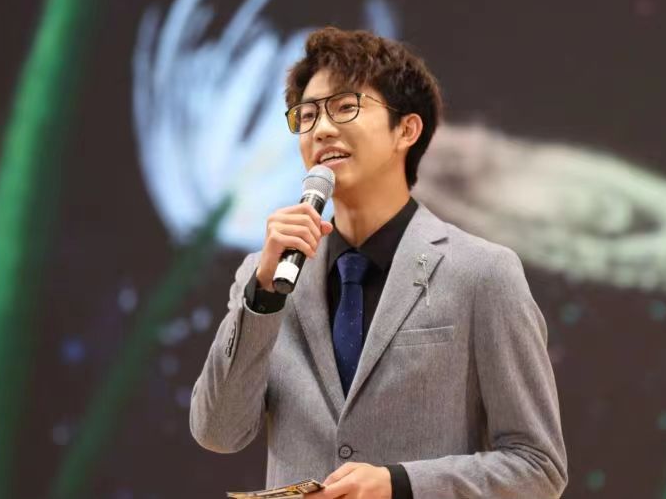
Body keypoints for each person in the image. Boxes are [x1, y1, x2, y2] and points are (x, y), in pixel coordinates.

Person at [190, 26, 567, 498]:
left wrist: (401, 485)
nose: (321, 129)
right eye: (307, 115)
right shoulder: (267, 275)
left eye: (345, 107)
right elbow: (218, 432)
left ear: (406, 130)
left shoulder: (482, 273)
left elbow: (538, 467)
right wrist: (263, 296)